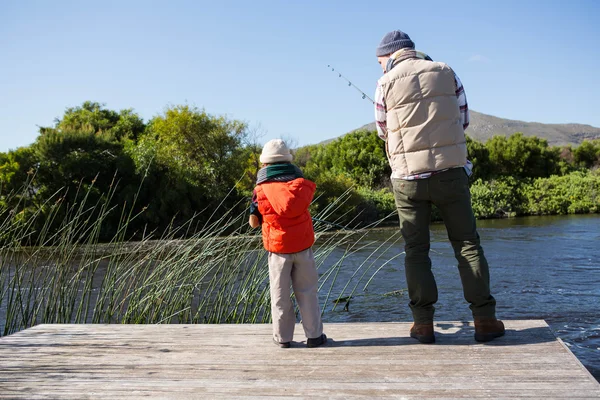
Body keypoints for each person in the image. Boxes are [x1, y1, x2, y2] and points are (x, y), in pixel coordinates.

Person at [373, 30, 505, 343]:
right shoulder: (446, 71)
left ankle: (423, 325)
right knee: (467, 244)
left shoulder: (384, 83)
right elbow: (463, 119)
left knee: (416, 252)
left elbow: (382, 131)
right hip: (451, 174)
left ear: (391, 55)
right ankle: (485, 321)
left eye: (380, 61)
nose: (380, 67)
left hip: (408, 180)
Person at [249, 139, 327, 348]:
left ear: (265, 164)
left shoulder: (261, 190)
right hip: (303, 247)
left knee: (280, 294)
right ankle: (314, 336)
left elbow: (253, 223)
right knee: (308, 292)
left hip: (278, 250)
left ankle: (283, 338)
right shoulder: (300, 185)